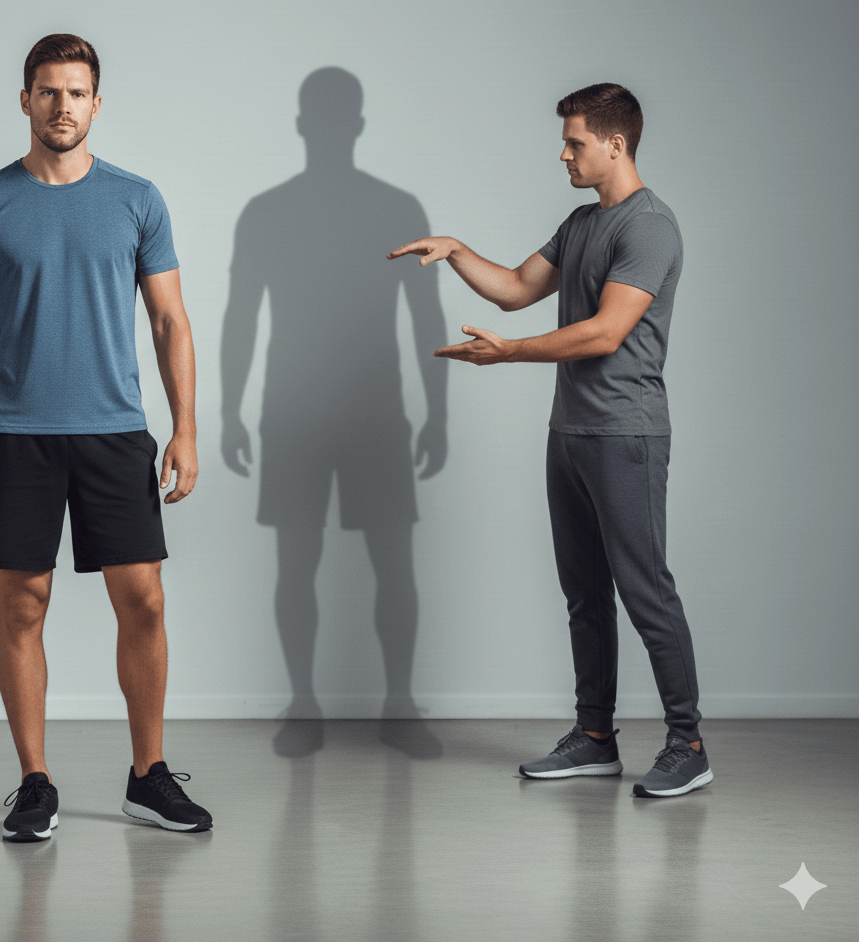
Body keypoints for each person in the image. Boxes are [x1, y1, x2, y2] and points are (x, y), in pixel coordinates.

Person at [388, 83, 712, 797]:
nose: (563, 153)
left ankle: (687, 743)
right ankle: (595, 736)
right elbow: (510, 288)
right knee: (584, 593)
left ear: (615, 144)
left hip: (626, 433)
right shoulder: (578, 223)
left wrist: (509, 355)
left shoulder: (649, 227)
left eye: (575, 142)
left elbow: (605, 331)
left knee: (644, 590)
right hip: (568, 432)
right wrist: (457, 252)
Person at [0, 33, 213, 839]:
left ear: (97, 103)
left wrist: (185, 428)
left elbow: (170, 320)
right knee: (24, 603)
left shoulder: (137, 199)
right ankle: (34, 783)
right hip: (15, 433)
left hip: (115, 429)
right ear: (25, 100)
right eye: (48, 92)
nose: (62, 106)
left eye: (77, 92)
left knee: (145, 602)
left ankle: (148, 777)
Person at [220, 68, 448, 759]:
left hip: (365, 407)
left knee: (385, 564)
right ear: (347, 125)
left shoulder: (392, 209)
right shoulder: (277, 211)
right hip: (298, 407)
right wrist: (227, 412)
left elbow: (426, 315)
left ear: (333, 127)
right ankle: (306, 703)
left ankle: (396, 703)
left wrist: (438, 412)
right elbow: (241, 317)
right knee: (303, 562)